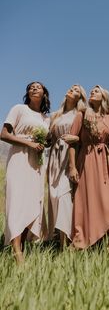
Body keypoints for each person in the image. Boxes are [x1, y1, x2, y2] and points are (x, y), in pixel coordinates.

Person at [68, 85, 109, 249]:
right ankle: (91, 240)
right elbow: (72, 142)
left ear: (104, 97)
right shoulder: (81, 115)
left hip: (106, 161)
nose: (92, 92)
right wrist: (72, 167)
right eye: (91, 91)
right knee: (91, 199)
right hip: (87, 160)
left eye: (96, 91)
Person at [1, 81, 50, 263]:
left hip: (36, 163)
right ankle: (17, 253)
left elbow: (47, 140)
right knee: (16, 202)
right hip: (19, 159)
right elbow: (4, 134)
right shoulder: (19, 109)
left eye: (37, 86)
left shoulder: (46, 118)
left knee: (32, 202)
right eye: (30, 87)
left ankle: (23, 245)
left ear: (44, 92)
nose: (33, 88)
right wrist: (29, 143)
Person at [48, 84, 87, 248]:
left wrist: (76, 139)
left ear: (80, 97)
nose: (73, 90)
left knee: (65, 197)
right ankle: (57, 238)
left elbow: (85, 137)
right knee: (54, 196)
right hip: (55, 158)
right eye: (72, 88)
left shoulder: (81, 114)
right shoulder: (55, 115)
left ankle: (66, 243)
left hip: (72, 156)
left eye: (77, 90)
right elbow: (49, 139)